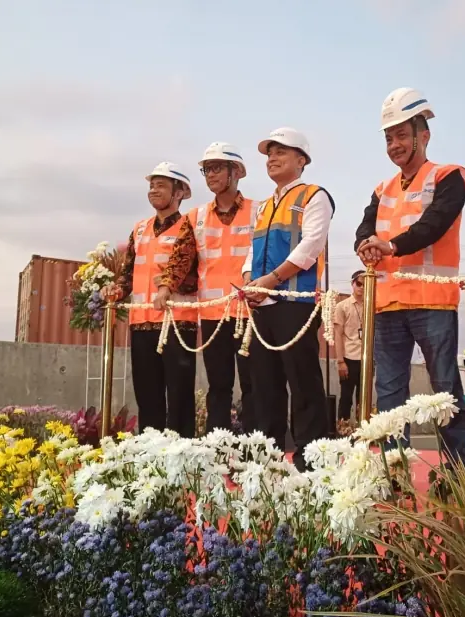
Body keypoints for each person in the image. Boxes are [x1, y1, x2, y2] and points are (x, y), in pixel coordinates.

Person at [355, 87, 465, 480]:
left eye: (402, 135)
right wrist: (364, 246)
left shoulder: (449, 176)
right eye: (389, 137)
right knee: (389, 398)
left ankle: (456, 477)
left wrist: (387, 246)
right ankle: (395, 474)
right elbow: (363, 228)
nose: (395, 145)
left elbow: (435, 224)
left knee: (444, 394)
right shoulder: (381, 188)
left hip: (433, 303)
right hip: (387, 306)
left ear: (424, 134)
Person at [242, 127, 334, 471]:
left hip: (296, 303)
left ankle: (311, 458)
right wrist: (250, 280)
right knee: (264, 384)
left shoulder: (314, 196)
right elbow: (252, 251)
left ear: (302, 159)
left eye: (281, 152)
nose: (272, 159)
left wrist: (270, 280)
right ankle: (267, 456)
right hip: (262, 305)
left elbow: (310, 247)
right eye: (269, 154)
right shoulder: (264, 206)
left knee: (303, 379)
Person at [110, 162, 199, 438]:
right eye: (151, 185)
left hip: (176, 323)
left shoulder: (190, 226)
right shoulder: (139, 229)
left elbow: (184, 263)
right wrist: (114, 290)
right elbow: (127, 273)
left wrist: (167, 287)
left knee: (179, 394)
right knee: (147, 393)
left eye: (161, 185)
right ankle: (149, 451)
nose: (153, 190)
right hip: (142, 323)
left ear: (180, 192)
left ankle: (181, 451)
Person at [188, 142, 258, 433]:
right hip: (213, 315)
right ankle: (216, 448)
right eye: (207, 169)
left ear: (236, 172)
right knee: (218, 387)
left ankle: (255, 450)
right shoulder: (195, 217)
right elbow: (183, 263)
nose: (210, 175)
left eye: (217, 168)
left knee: (254, 385)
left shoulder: (260, 211)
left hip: (250, 314)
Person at [334, 270, 365, 423]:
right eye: (359, 283)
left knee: (364, 396)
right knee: (346, 395)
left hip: (367, 358)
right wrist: (340, 361)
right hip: (349, 357)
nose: (362, 287)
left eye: (365, 284)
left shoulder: (372, 305)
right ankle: (343, 428)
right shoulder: (342, 306)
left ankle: (365, 430)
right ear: (352, 284)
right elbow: (337, 334)